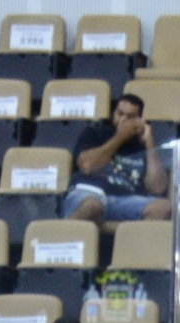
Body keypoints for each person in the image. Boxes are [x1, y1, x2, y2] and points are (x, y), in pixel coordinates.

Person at [65, 89, 171, 226]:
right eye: (120, 114)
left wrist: (150, 144)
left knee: (163, 208)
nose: (123, 120)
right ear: (113, 114)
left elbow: (157, 188)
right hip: (89, 192)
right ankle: (63, 238)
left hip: (126, 199)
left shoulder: (142, 146)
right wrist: (120, 137)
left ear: (141, 120)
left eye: (130, 117)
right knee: (92, 207)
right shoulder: (94, 133)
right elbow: (87, 166)